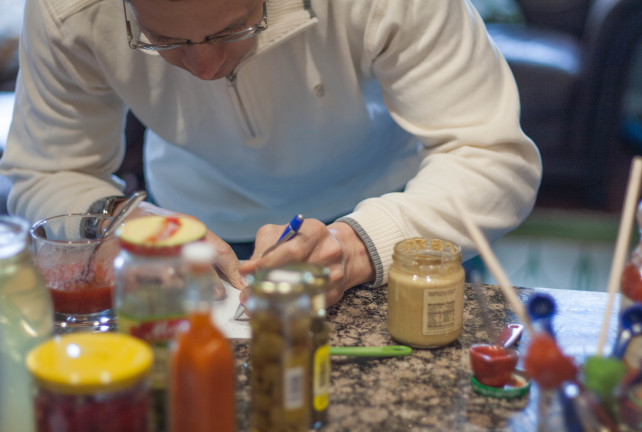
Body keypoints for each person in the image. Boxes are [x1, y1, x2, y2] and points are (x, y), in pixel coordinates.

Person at [0, 0, 541, 306]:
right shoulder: (66, 10)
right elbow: (47, 167)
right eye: (164, 41)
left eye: (234, 30)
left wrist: (358, 246)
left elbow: (490, 155)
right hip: (195, 221)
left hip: (398, 215)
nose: (207, 70)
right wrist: (131, 225)